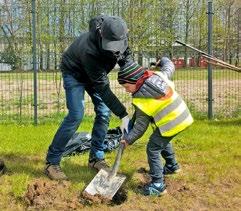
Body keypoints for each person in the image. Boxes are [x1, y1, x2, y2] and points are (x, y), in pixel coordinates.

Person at [45, 15, 133, 180]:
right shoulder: (90, 49)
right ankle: (52, 162)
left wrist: (140, 80)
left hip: (96, 75)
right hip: (75, 73)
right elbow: (103, 88)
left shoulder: (119, 35)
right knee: (76, 115)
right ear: (101, 35)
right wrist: (123, 114)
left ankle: (96, 158)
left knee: (104, 113)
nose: (114, 49)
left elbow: (127, 62)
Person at [118, 58, 194, 196]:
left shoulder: (142, 100)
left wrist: (128, 140)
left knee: (153, 148)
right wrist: (162, 60)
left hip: (172, 122)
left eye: (127, 87)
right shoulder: (158, 76)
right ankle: (172, 166)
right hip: (183, 116)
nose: (127, 91)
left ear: (136, 81)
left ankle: (157, 185)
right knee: (162, 139)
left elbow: (140, 127)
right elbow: (169, 66)